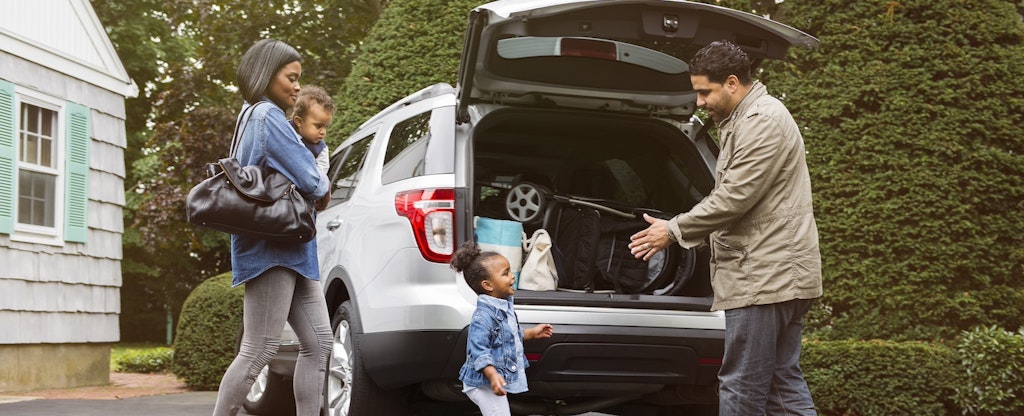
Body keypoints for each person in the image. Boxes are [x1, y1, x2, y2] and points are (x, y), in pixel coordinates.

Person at [628, 40, 822, 415]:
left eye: (705, 91)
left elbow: (735, 197)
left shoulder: (761, 121)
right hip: (776, 275)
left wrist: (673, 230)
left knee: (742, 387)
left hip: (765, 277)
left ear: (732, 82)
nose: (699, 102)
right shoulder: (747, 119)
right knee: (782, 384)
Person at [212, 39, 333, 416]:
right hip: (273, 246)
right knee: (260, 347)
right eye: (291, 77)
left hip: (292, 246)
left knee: (320, 344)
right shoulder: (266, 116)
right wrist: (322, 178)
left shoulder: (251, 115)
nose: (298, 88)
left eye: (299, 79)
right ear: (266, 73)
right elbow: (315, 184)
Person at [451, 242, 554, 416]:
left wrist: (532, 333)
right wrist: (492, 375)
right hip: (482, 382)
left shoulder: (503, 307)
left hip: (490, 381)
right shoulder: (483, 316)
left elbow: (507, 338)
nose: (512, 276)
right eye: (505, 273)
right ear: (488, 285)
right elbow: (479, 351)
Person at [290, 84, 333, 176]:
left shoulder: (321, 150)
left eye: (325, 126)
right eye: (318, 126)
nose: (323, 132)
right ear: (299, 122)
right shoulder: (282, 131)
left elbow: (320, 177)